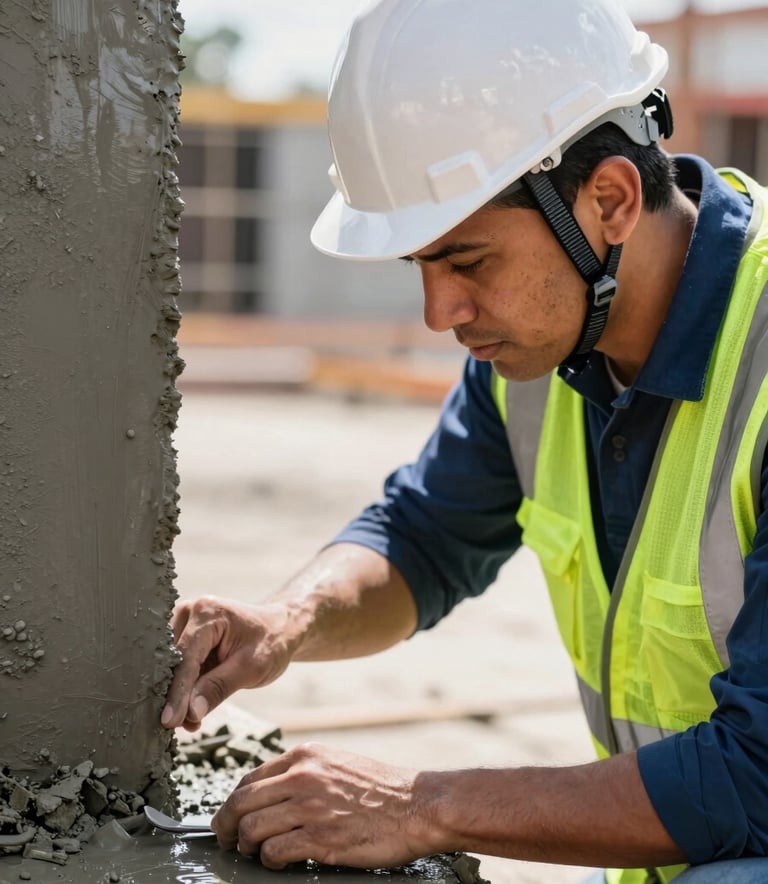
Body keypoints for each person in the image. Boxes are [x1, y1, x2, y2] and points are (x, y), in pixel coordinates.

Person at [162, 1, 768, 882]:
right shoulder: (545, 348)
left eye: (469, 262)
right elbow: (425, 535)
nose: (439, 313)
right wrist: (283, 624)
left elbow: (756, 779)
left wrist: (419, 804)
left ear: (610, 200)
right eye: (422, 266)